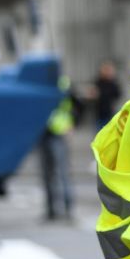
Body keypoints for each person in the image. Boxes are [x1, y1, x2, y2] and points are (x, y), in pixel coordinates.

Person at [39, 75, 78, 221]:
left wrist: (71, 124)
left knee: (62, 173)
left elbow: (72, 105)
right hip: (43, 132)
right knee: (47, 174)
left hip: (59, 132)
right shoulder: (41, 83)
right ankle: (51, 210)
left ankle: (68, 209)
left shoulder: (62, 83)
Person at [89, 60, 122, 131]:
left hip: (110, 113)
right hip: (99, 113)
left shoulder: (113, 83)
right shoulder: (98, 82)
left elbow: (117, 95)